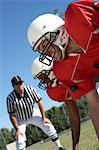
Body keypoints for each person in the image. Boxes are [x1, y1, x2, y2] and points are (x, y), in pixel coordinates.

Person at [27, 0, 99, 147]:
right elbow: (94, 104)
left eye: (44, 45)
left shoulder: (77, 16)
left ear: (58, 31)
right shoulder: (63, 69)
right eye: (41, 50)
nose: (46, 53)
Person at [6, 75, 66, 150]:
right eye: (17, 85)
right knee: (20, 139)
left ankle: (59, 147)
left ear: (23, 83)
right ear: (13, 87)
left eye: (20, 83)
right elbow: (11, 115)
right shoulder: (10, 98)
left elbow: (39, 103)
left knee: (47, 125)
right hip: (20, 118)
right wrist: (17, 129)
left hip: (32, 112)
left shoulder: (31, 89)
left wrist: (44, 118)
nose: (19, 86)